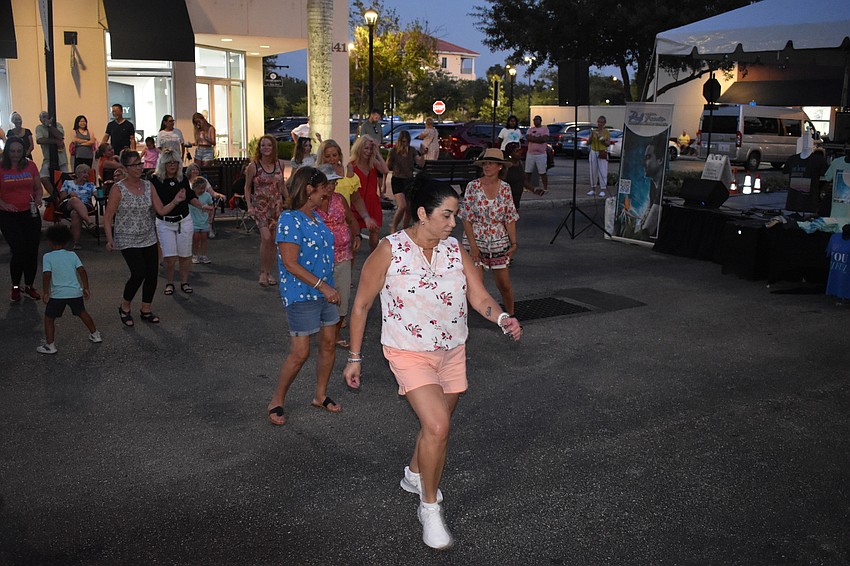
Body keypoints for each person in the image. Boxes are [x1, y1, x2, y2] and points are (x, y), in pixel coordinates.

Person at [343, 175, 523, 550]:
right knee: (439, 426)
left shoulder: (454, 249)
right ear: (422, 214)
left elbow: (479, 297)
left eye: (455, 215)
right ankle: (429, 507)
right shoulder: (390, 250)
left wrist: (502, 318)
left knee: (434, 427)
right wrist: (355, 357)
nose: (453, 223)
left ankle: (413, 473)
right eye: (447, 215)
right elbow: (361, 304)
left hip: (452, 351)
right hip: (408, 351)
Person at [267, 166, 342, 426]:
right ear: (309, 190)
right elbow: (290, 263)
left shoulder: (316, 218)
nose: (328, 193)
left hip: (325, 291)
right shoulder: (289, 219)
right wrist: (323, 286)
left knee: (329, 344)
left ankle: (320, 395)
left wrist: (329, 286)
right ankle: (277, 400)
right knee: (300, 353)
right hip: (302, 294)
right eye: (323, 189)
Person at [104, 150, 186, 326]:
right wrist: (109, 238)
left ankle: (146, 309)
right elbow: (108, 216)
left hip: (148, 235)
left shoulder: (148, 186)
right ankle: (125, 306)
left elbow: (161, 210)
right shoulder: (118, 189)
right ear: (125, 168)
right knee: (138, 272)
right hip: (126, 237)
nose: (139, 167)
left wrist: (176, 201)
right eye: (134, 164)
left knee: (152, 274)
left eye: (140, 163)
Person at [459, 148, 520, 315]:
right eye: (485, 163)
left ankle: (511, 316)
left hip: (499, 241)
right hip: (476, 239)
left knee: (504, 285)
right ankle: (465, 321)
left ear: (500, 166)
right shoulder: (473, 187)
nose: (487, 166)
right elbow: (466, 217)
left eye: (491, 163)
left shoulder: (505, 188)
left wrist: (514, 243)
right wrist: (473, 246)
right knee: (474, 285)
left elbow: (510, 217)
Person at [151, 149, 213, 295]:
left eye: (175, 162)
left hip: (183, 220)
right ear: (163, 164)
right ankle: (170, 283)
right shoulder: (155, 181)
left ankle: (184, 282)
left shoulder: (182, 179)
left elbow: (191, 197)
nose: (172, 165)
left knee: (185, 255)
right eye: (169, 162)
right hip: (165, 222)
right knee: (169, 257)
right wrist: (175, 201)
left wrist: (203, 206)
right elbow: (159, 208)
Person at [37, 224, 102, 354]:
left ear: (49, 241)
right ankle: (95, 334)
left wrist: (45, 292)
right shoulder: (72, 255)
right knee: (82, 312)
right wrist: (86, 287)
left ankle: (50, 345)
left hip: (57, 295)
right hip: (75, 292)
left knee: (49, 318)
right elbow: (82, 271)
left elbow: (47, 275)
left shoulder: (47, 257)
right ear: (67, 241)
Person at [315, 163, 360, 348]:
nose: (332, 187)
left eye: (334, 182)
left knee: (343, 297)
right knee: (321, 298)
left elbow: (351, 220)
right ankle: (324, 332)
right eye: (328, 183)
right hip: (319, 259)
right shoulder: (311, 203)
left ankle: (335, 332)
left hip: (343, 256)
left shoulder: (340, 199)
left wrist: (356, 235)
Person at [0, 137, 44, 303]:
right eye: (12, 151)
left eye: (19, 151)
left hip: (29, 213)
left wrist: (38, 198)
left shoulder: (30, 165)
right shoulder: (1, 167)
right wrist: (4, 204)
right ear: (7, 151)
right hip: (8, 214)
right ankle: (15, 286)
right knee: (19, 250)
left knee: (32, 251)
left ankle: (29, 285)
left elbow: (38, 188)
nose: (16, 154)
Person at [244, 134, 287, 286]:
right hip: (260, 207)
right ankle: (262, 272)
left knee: (274, 241)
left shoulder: (280, 164)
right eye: (263, 145)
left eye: (269, 145)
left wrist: (289, 201)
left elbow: (281, 186)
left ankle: (269, 272)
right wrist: (249, 205)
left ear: (273, 147)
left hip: (276, 207)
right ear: (259, 148)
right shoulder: (253, 166)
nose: (266, 148)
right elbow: (247, 187)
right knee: (266, 238)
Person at [350, 135, 388, 251]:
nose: (368, 151)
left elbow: (385, 170)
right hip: (357, 202)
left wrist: (377, 151)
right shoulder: (352, 165)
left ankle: (373, 259)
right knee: (355, 234)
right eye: (365, 148)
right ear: (359, 148)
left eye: (370, 148)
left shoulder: (373, 163)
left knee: (375, 233)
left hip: (372, 201)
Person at [387, 130, 424, 232]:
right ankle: (394, 226)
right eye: (402, 141)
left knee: (408, 208)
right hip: (397, 179)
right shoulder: (394, 151)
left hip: (409, 180)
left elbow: (420, 163)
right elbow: (387, 167)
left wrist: (423, 154)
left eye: (406, 141)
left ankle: (405, 229)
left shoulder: (412, 150)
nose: (404, 144)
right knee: (402, 205)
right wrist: (383, 185)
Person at [58, 163, 97, 250]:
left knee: (75, 213)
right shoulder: (67, 182)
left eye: (87, 173)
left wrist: (101, 191)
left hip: (85, 206)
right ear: (78, 173)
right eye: (84, 172)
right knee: (74, 199)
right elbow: (61, 198)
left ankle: (76, 243)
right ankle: (89, 222)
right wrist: (69, 195)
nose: (86, 175)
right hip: (67, 204)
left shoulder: (91, 185)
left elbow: (98, 195)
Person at [35, 111, 69, 183]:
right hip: (48, 158)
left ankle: (63, 194)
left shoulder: (58, 125)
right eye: (43, 117)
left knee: (65, 179)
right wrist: (55, 141)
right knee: (43, 177)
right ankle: (54, 193)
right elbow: (39, 140)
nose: (45, 119)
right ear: (40, 119)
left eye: (47, 116)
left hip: (61, 158)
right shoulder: (39, 128)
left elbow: (60, 136)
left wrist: (50, 126)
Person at [190, 178, 214, 264]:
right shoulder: (191, 196)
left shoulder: (207, 195)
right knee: (195, 238)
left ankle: (203, 255)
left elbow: (211, 206)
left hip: (204, 220)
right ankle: (195, 255)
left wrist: (211, 216)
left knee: (204, 238)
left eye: (204, 188)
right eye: (200, 188)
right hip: (194, 221)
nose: (202, 190)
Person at [524, 115, 549, 195]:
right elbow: (528, 138)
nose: (535, 121)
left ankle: (545, 187)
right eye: (534, 120)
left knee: (542, 172)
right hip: (530, 153)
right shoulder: (530, 129)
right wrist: (538, 139)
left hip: (541, 154)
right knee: (528, 171)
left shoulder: (545, 129)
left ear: (540, 120)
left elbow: (544, 139)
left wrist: (534, 139)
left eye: (537, 120)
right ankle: (526, 187)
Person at [587, 115, 611, 197]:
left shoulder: (606, 132)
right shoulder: (593, 131)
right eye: (599, 122)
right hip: (594, 151)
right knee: (593, 171)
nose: (600, 124)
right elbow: (588, 142)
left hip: (602, 152)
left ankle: (603, 189)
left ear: (604, 123)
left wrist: (602, 140)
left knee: (603, 171)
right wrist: (592, 136)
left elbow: (608, 143)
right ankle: (593, 189)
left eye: (601, 122)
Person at [826, 224, 850, 305]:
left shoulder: (835, 238)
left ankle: (844, 297)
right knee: (838, 279)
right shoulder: (835, 237)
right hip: (837, 266)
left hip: (844, 267)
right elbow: (829, 252)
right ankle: (838, 296)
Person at [503, 142, 526, 210]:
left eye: (520, 150)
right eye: (517, 151)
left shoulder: (520, 163)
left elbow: (522, 180)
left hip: (517, 197)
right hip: (507, 198)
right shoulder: (506, 165)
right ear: (510, 153)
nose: (520, 153)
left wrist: (533, 189)